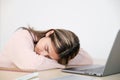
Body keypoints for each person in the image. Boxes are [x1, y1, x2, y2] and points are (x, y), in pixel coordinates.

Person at [0, 27, 93, 71]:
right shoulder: (21, 35)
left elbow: (88, 59)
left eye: (49, 57)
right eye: (46, 48)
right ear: (49, 33)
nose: (42, 55)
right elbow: (32, 64)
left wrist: (64, 58)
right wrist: (61, 65)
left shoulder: (51, 48)